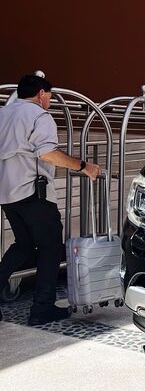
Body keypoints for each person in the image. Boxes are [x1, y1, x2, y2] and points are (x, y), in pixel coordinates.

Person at [0, 75, 100, 325]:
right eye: (50, 96)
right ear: (42, 93)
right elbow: (47, 154)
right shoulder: (39, 116)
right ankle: (42, 308)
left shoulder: (3, 114)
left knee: (23, 245)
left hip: (7, 193)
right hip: (34, 193)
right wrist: (84, 166)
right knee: (51, 247)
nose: (51, 101)